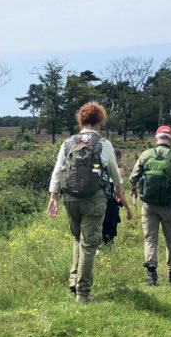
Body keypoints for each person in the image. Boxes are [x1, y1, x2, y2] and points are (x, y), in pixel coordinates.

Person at [48, 102, 125, 303]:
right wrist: (119, 190)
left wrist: (53, 196)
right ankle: (83, 293)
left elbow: (58, 169)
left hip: (70, 197)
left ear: (81, 121)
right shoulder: (104, 143)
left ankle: (74, 279)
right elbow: (115, 173)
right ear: (99, 122)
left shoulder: (68, 143)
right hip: (94, 198)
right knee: (90, 244)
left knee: (76, 238)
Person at [129, 125, 171, 286]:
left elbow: (133, 177)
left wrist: (134, 189)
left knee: (150, 238)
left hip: (148, 204)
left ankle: (152, 275)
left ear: (156, 138)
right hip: (169, 205)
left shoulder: (146, 155)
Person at [101, 149, 133, 245]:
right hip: (112, 203)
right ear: (119, 158)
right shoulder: (118, 171)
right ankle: (107, 245)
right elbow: (119, 192)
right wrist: (128, 208)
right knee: (110, 227)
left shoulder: (102, 170)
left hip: (100, 201)